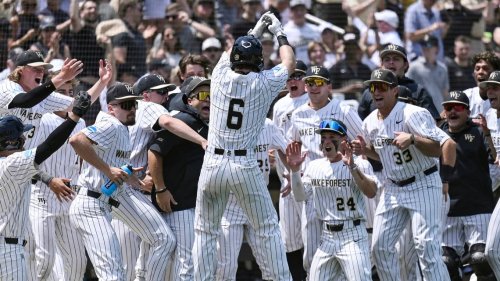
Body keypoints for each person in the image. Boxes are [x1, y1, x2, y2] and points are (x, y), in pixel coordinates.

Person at [191, 11, 295, 280]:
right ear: (258, 61)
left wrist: (255, 30)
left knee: (205, 231)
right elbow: (289, 62)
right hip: (244, 165)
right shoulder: (264, 82)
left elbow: (232, 50)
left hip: (213, 163)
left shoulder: (220, 74)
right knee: (268, 228)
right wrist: (279, 32)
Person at [68, 83, 176, 281]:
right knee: (113, 275)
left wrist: (134, 178)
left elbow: (115, 165)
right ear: (111, 108)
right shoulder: (111, 124)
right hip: (91, 205)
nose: (132, 109)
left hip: (111, 198)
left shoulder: (123, 128)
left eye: (134, 104)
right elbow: (76, 140)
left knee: (163, 239)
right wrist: (108, 169)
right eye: (126, 105)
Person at [353, 68, 451, 280]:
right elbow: (384, 155)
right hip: (393, 188)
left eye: (382, 87)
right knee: (379, 247)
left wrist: (414, 139)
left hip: (423, 182)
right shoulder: (369, 121)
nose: (376, 91)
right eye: (373, 87)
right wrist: (365, 151)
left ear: (395, 90)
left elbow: (441, 146)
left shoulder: (412, 113)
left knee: (426, 248)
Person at [0, 91, 91, 280]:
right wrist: (73, 117)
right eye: (21, 135)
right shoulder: (12, 163)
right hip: (7, 251)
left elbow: (34, 166)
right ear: (12, 141)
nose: (25, 139)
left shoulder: (12, 164)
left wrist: (48, 179)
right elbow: (48, 146)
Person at [287, 64, 363, 275]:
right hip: (313, 184)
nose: (314, 86)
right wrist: (289, 175)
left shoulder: (344, 109)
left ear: (329, 86)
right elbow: (292, 147)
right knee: (311, 254)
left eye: (319, 82)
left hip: (342, 183)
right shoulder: (298, 114)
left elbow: (363, 142)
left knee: (349, 253)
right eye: (310, 82)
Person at [286, 119, 377, 280]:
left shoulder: (359, 164)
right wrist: (294, 171)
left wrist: (353, 167)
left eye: (331, 137)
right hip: (327, 237)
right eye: (323, 137)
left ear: (343, 140)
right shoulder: (315, 166)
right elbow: (300, 197)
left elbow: (371, 192)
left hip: (352, 235)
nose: (326, 141)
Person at [27, 74, 88, 281]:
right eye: (61, 92)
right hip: (41, 197)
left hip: (69, 199)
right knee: (44, 261)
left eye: (71, 93)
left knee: (78, 263)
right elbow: (24, 162)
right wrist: (50, 180)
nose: (68, 98)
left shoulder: (80, 122)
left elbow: (80, 162)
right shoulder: (40, 120)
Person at [148, 76, 210, 281]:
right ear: (189, 100)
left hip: (191, 203)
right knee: (186, 263)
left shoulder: (208, 123)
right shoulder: (184, 120)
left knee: (180, 264)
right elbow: (154, 152)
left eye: (211, 95)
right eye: (202, 95)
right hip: (176, 205)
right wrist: (161, 188)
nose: (208, 100)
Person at [216, 117, 288, 280]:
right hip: (230, 203)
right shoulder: (223, 124)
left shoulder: (268, 124)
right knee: (225, 269)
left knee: (274, 265)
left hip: (259, 200)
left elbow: (284, 149)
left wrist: (291, 173)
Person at [440, 90, 496, 281]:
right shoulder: (436, 134)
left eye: (458, 107)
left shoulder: (479, 131)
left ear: (467, 111)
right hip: (448, 208)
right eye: (449, 108)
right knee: (445, 261)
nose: (453, 112)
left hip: (478, 206)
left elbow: (495, 158)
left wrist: (487, 133)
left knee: (480, 259)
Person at [272, 60, 309, 281]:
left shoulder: (312, 102)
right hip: (285, 181)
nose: (293, 80)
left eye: (298, 76)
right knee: (289, 239)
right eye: (289, 77)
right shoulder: (279, 105)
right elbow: (276, 141)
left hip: (308, 179)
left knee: (311, 235)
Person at [358, 43, 440, 121]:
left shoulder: (418, 91)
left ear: (405, 65)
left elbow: (433, 122)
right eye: (387, 59)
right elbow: (360, 126)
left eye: (396, 59)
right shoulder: (370, 92)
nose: (391, 62)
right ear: (381, 64)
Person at [407, 34, 449, 112]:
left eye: (428, 46)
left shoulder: (442, 68)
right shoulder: (413, 67)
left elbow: (445, 93)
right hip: (420, 112)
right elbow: (407, 89)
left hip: (439, 112)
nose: (425, 48)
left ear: (437, 49)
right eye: (423, 46)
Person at [484, 71, 500, 279]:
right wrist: (487, 134)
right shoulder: (489, 116)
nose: (490, 91)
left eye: (495, 87)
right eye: (488, 87)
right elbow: (496, 155)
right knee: (491, 251)